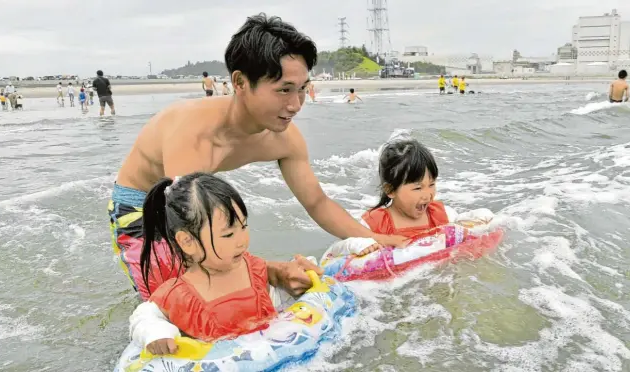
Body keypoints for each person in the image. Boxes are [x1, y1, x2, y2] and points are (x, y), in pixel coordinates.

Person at [109, 13, 405, 301]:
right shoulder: (193, 135)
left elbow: (317, 202)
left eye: (302, 89)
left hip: (193, 213)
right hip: (143, 207)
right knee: (177, 295)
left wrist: (376, 239)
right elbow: (191, 230)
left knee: (229, 286)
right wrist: (274, 271)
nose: (295, 104)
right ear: (239, 83)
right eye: (284, 90)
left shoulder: (283, 138)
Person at [129, 173, 311, 355]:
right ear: (187, 241)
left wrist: (303, 275)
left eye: (244, 226)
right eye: (228, 234)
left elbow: (282, 291)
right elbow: (144, 317)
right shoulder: (178, 294)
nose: (242, 241)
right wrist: (157, 334)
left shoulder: (253, 269)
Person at [331, 139, 492, 256]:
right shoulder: (374, 223)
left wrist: (476, 217)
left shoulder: (441, 214)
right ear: (391, 190)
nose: (428, 194)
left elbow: (461, 225)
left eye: (432, 184)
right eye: (417, 187)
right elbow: (335, 251)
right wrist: (355, 244)